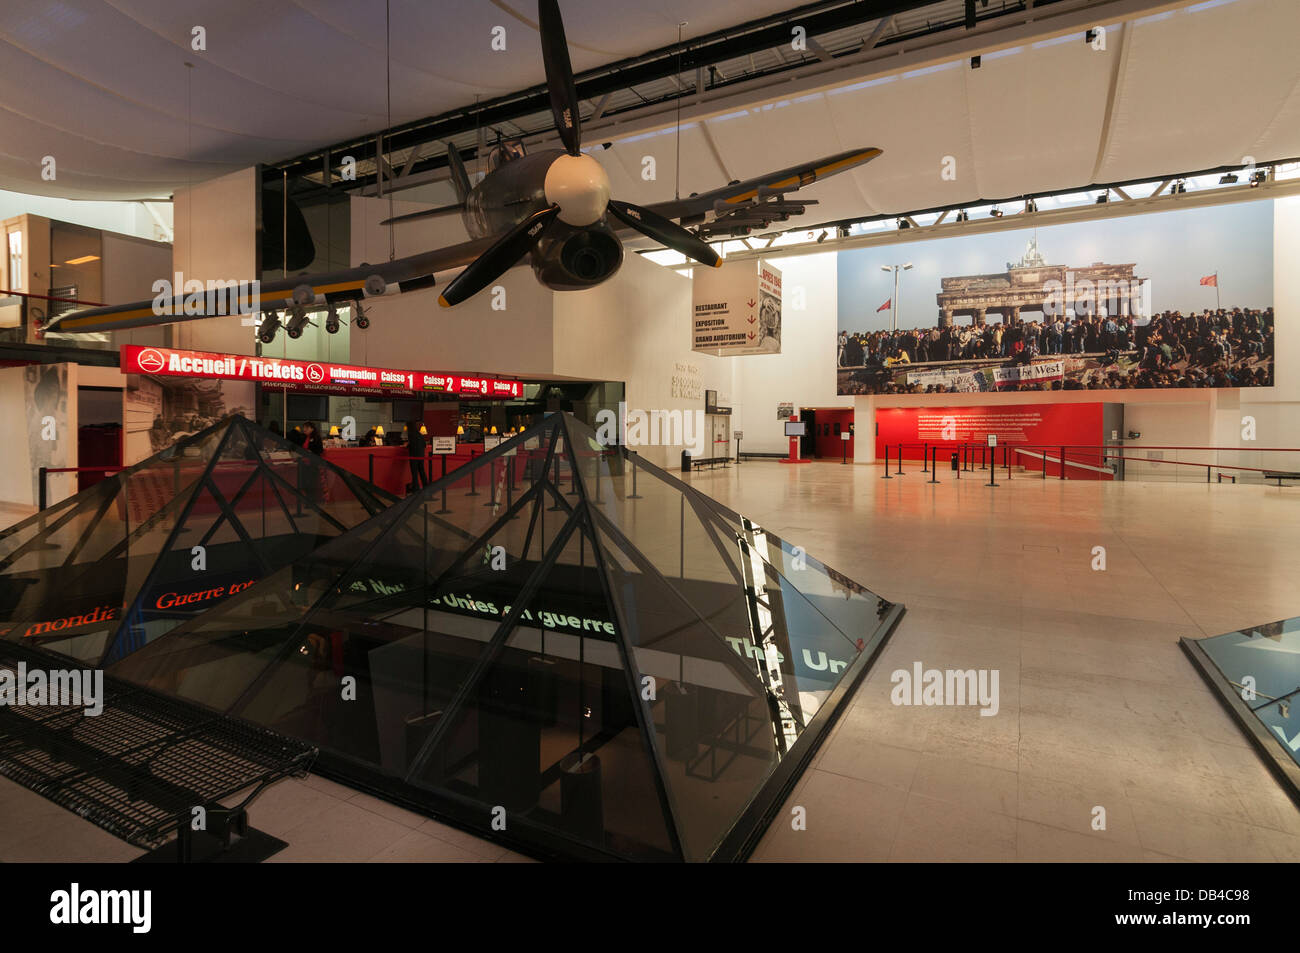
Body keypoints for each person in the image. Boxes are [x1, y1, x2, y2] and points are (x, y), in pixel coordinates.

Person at [406, 420, 428, 493]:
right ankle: (426, 488)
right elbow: (424, 445)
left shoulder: (410, 434)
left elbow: (412, 445)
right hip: (421, 456)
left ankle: (416, 489)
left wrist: (407, 446)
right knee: (422, 471)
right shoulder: (419, 434)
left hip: (414, 456)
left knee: (414, 473)